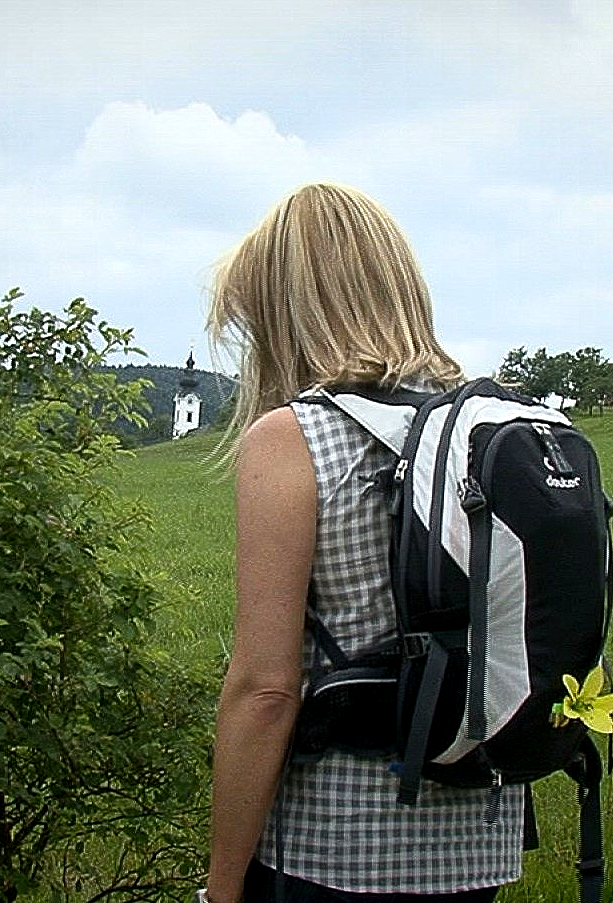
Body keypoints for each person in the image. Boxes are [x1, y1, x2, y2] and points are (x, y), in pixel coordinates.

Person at [201, 183, 524, 903]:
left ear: (287, 311)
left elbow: (265, 691)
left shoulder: (295, 439)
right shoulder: (489, 432)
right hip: (481, 841)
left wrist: (221, 890)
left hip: (333, 850)